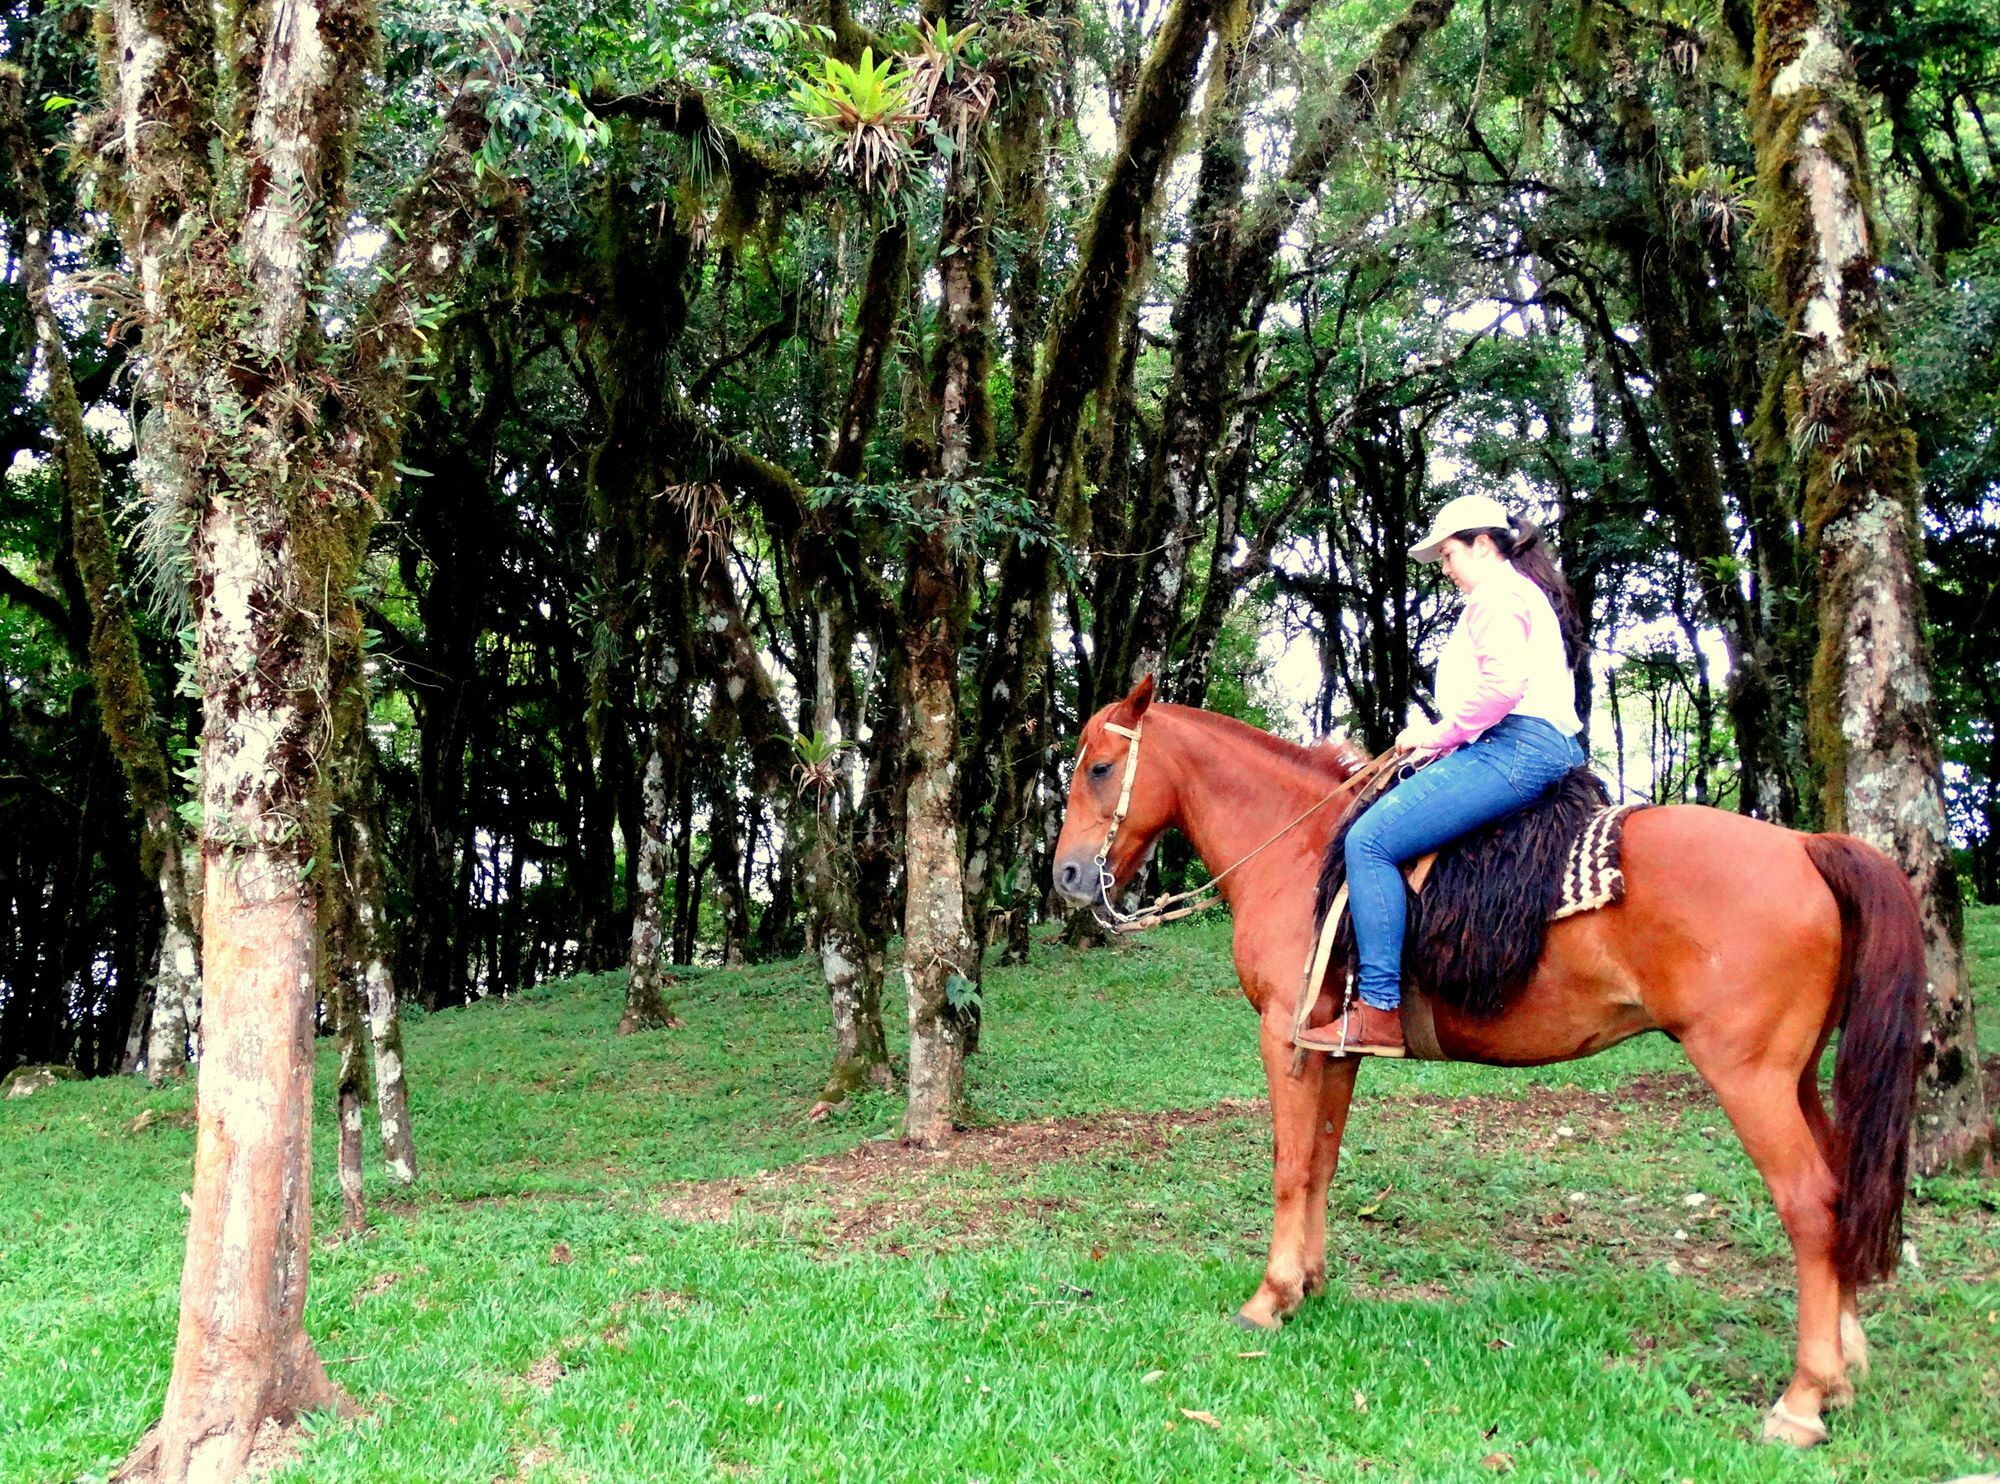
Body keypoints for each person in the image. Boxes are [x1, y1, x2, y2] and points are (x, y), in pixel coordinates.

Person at [1297, 494, 1586, 1057]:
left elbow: (1502, 689)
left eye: (1449, 555)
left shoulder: (1495, 597)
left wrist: (1434, 734)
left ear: (1482, 544)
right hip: (1537, 744)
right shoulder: (1520, 594)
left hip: (1515, 747)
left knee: (1370, 840)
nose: (1447, 569)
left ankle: (1379, 1012)